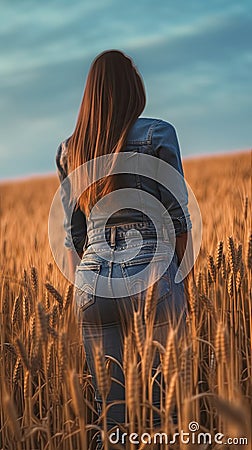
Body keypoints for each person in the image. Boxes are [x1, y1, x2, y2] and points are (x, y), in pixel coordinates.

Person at [56, 49, 194, 449]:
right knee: (162, 410)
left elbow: (74, 237)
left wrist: (88, 284)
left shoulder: (70, 149)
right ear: (133, 89)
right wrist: (181, 285)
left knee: (110, 420)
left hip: (92, 278)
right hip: (152, 271)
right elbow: (178, 221)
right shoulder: (158, 134)